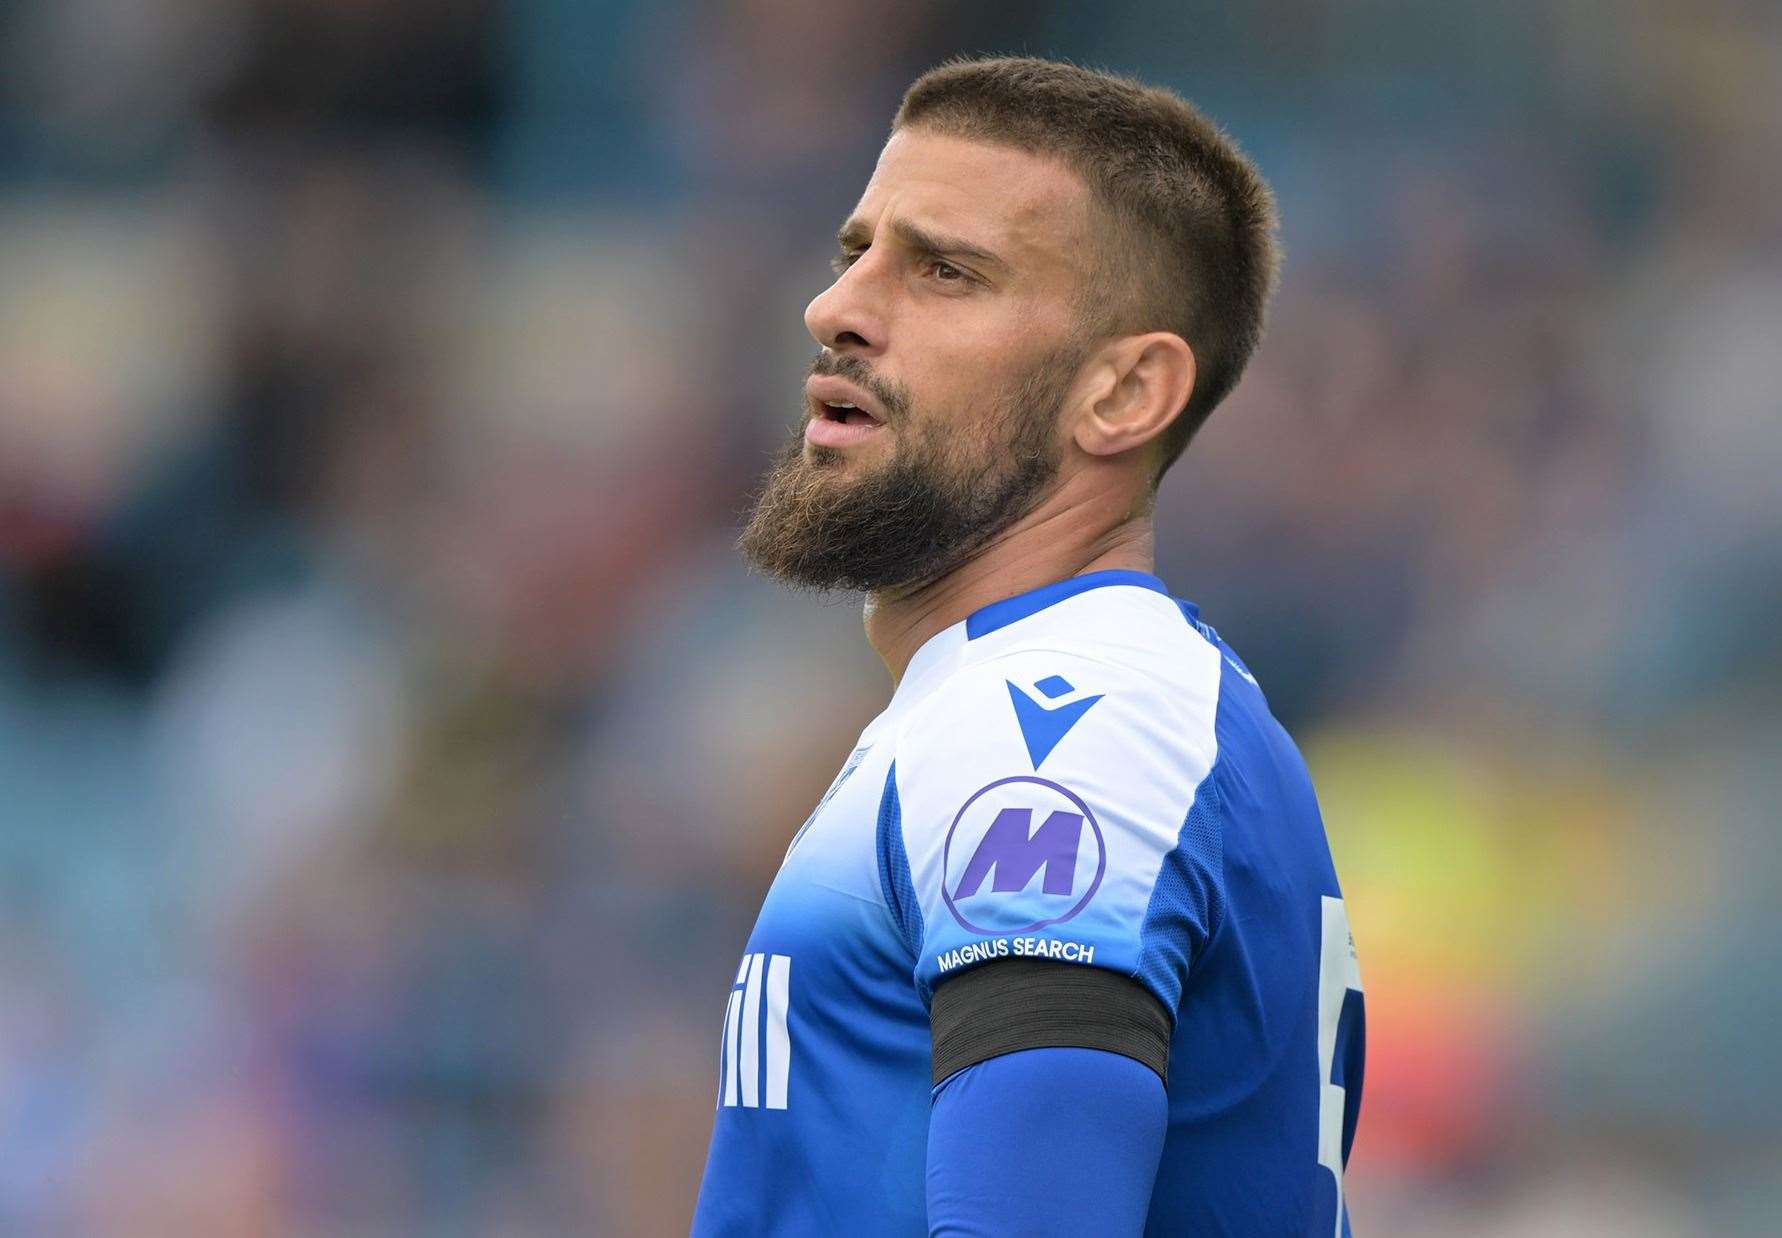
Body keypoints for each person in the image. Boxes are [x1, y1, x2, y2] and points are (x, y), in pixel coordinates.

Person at [693, 55, 1364, 1237]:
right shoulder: (1047, 697)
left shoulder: (1066, 715)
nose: (837, 305)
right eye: (859, 251)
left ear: (1123, 392)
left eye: (947, 271)